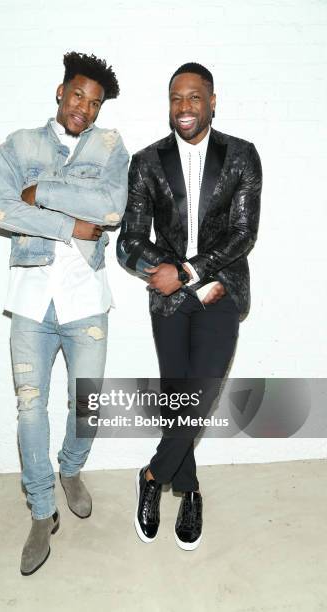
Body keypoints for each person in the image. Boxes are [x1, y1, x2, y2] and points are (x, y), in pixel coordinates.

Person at [0, 51, 129, 575]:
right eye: (77, 97)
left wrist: (42, 192)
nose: (83, 110)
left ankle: (72, 470)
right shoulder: (18, 145)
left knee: (86, 405)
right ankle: (41, 511)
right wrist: (70, 224)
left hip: (87, 299)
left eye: (94, 104)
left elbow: (112, 209)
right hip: (30, 300)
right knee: (30, 408)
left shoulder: (111, 147)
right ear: (60, 92)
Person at [117, 62, 262, 550]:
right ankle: (191, 488)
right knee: (179, 395)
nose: (184, 107)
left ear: (212, 101)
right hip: (169, 301)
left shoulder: (242, 156)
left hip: (221, 292)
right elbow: (130, 241)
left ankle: (153, 475)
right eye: (176, 98)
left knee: (198, 395)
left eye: (194, 98)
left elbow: (244, 234)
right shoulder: (147, 162)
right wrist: (168, 272)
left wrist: (189, 271)